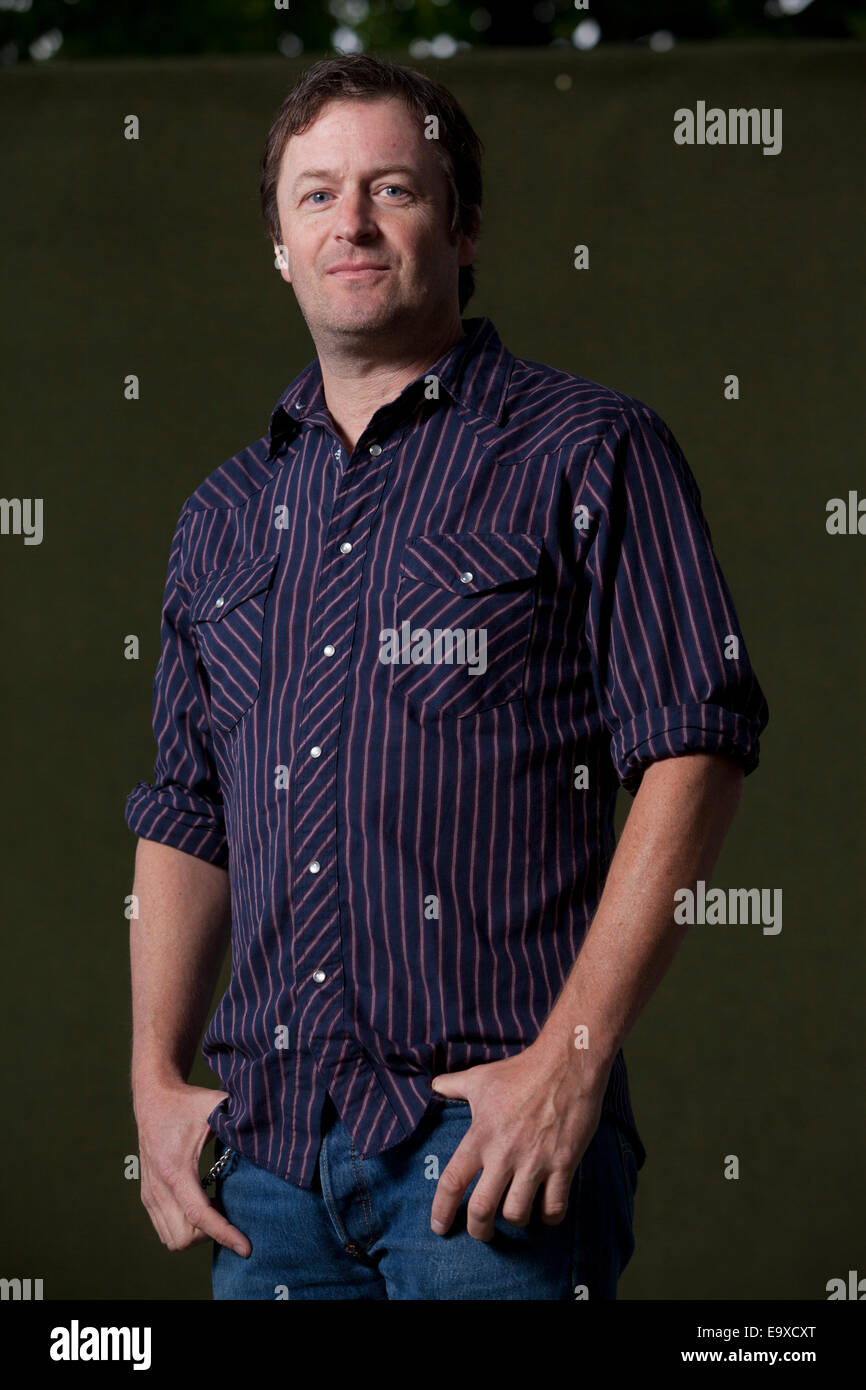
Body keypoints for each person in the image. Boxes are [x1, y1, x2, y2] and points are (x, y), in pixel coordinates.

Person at [126, 54, 769, 1301]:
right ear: (278, 245)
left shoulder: (586, 449)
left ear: (462, 229)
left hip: (486, 1157)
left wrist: (573, 1061)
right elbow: (183, 818)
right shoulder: (219, 516)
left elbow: (692, 748)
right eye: (315, 197)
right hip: (263, 1175)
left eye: (391, 189)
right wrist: (152, 1085)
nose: (350, 223)